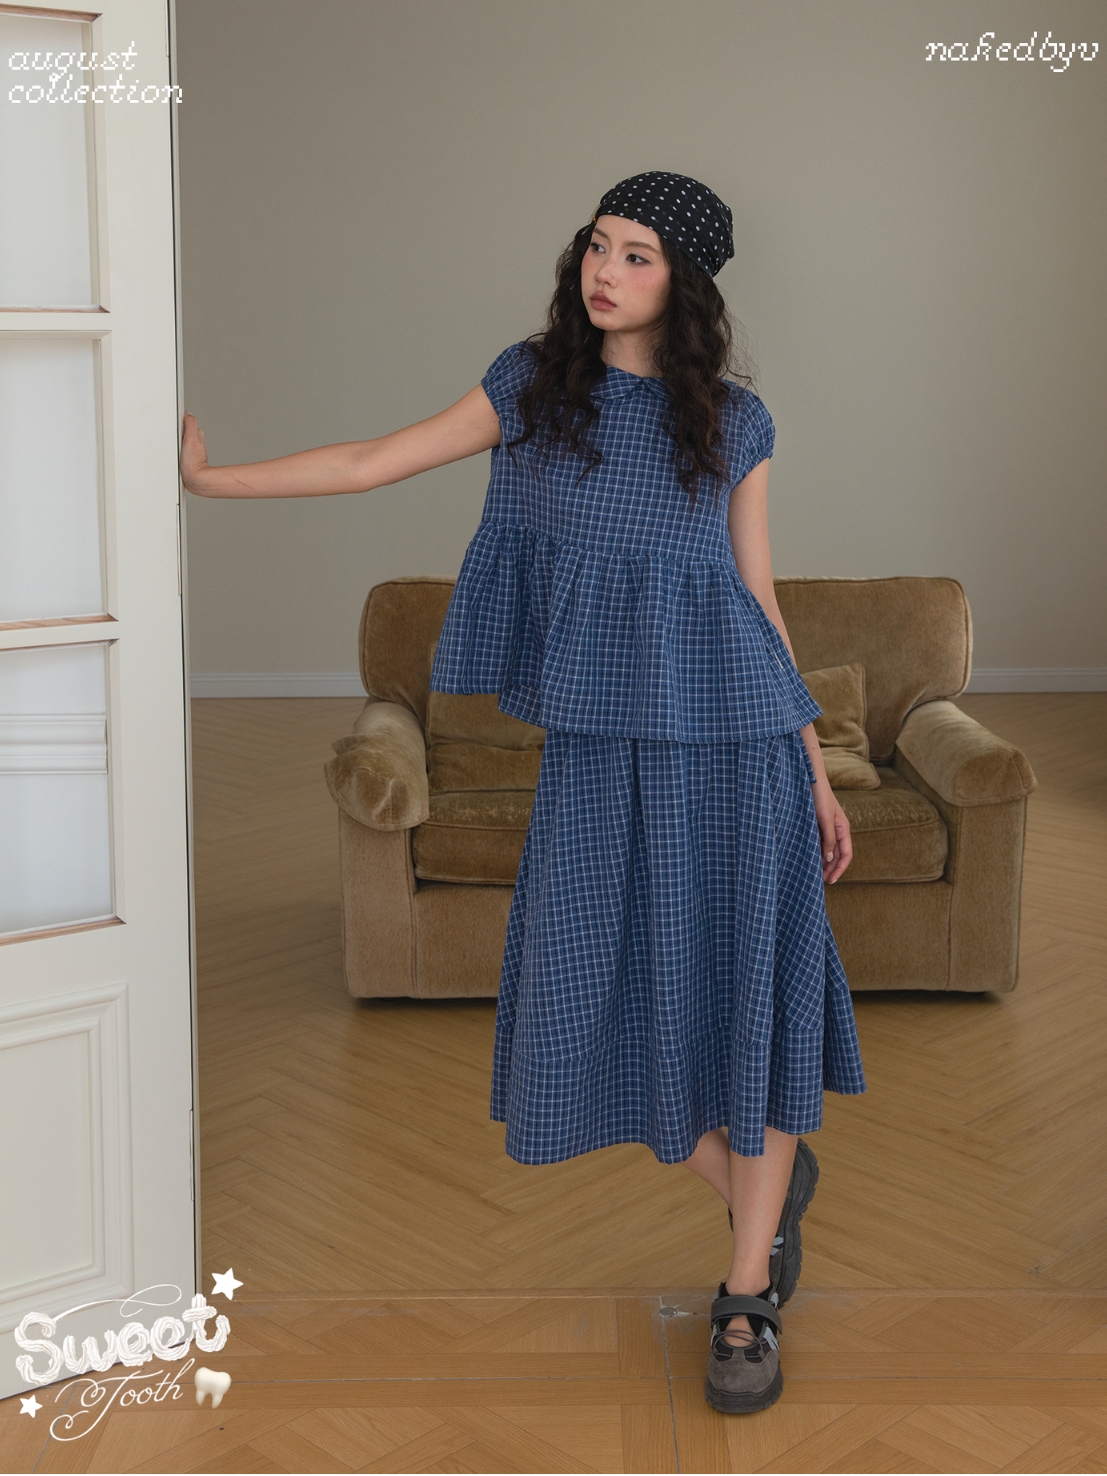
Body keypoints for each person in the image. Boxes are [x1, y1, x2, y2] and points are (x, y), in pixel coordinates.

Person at [180, 170, 866, 1415]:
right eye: (599, 244)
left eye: (638, 254)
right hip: (599, 753)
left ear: (685, 281)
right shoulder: (531, 390)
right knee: (583, 997)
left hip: (738, 753)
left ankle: (746, 1293)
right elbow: (371, 460)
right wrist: (211, 481)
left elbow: (757, 602)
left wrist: (815, 766)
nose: (606, 269)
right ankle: (765, 1192)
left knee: (737, 995)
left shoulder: (736, 423)